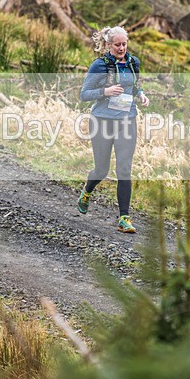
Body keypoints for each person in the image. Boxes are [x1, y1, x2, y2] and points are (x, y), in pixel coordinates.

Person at [77, 26, 149, 233]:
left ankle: (124, 218)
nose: (121, 48)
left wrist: (141, 94)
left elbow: (133, 86)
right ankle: (87, 191)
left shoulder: (133, 62)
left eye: (124, 44)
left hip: (127, 120)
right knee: (102, 169)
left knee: (124, 170)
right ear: (108, 45)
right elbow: (84, 94)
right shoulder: (99, 65)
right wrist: (105, 91)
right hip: (102, 121)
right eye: (117, 44)